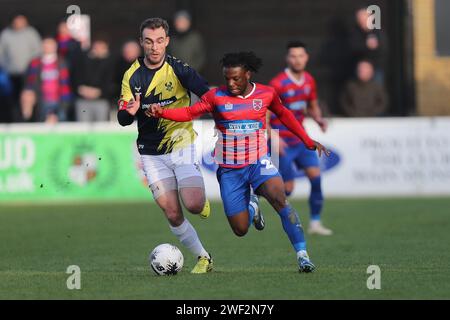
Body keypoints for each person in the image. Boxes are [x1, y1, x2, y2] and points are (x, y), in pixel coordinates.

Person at [149, 52, 330, 273]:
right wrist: (163, 113)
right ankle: (252, 205)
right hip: (230, 171)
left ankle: (303, 256)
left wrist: (307, 140)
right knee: (240, 229)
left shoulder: (266, 94)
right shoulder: (216, 97)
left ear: (247, 74)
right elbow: (189, 112)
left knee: (279, 199)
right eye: (227, 79)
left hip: (258, 163)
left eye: (236, 78)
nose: (231, 84)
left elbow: (284, 115)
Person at [117, 18, 213, 274]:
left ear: (167, 41)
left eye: (160, 41)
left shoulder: (180, 69)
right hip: (151, 153)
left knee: (192, 204)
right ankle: (204, 257)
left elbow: (208, 96)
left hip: (181, 143)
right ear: (141, 43)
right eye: (149, 41)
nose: (154, 47)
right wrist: (131, 112)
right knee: (172, 213)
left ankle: (200, 201)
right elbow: (123, 119)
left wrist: (199, 113)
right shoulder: (132, 75)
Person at [269, 41, 333, 236]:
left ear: (306, 58)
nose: (297, 60)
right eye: (293, 56)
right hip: (282, 140)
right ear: (287, 59)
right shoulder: (277, 83)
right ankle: (256, 199)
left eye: (300, 56)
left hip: (300, 138)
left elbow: (312, 104)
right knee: (287, 189)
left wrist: (319, 118)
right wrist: (272, 136)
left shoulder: (309, 81)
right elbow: (263, 112)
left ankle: (315, 223)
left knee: (316, 177)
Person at [0, 14, 41, 121]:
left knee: (29, 98)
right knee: (12, 99)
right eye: (17, 21)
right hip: (11, 74)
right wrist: (6, 67)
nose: (19, 23)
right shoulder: (6, 34)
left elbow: (37, 52)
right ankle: (15, 121)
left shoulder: (31, 33)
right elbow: (1, 53)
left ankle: (30, 120)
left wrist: (33, 67)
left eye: (22, 21)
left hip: (29, 74)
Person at [21, 36, 72, 123]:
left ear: (55, 47)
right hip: (41, 101)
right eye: (45, 45)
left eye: (50, 45)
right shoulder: (34, 63)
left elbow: (68, 83)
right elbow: (29, 84)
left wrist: (65, 103)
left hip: (60, 100)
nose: (48, 47)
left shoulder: (62, 62)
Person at [72, 37, 114, 122]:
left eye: (101, 48)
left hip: (101, 100)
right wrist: (82, 90)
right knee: (83, 128)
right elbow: (76, 76)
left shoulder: (110, 62)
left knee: (101, 129)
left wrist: (99, 92)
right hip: (83, 100)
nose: (98, 50)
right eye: (96, 47)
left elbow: (110, 82)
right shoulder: (83, 60)